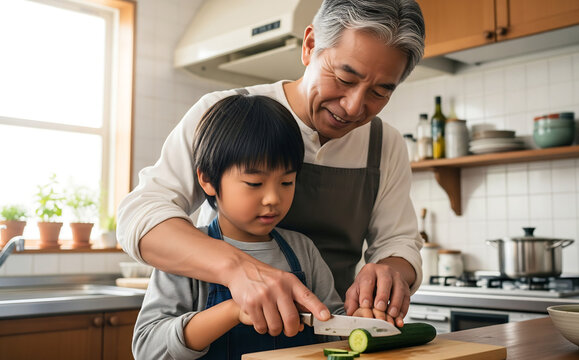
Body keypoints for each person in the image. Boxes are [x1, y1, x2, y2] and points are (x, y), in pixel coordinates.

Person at [118, 0, 425, 337]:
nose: (354, 107)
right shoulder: (224, 115)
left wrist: (389, 272)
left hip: (322, 336)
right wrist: (238, 269)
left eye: (380, 92)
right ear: (309, 46)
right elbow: (141, 214)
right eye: (344, 77)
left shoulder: (385, 143)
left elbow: (399, 242)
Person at [132, 94, 391, 360]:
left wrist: (358, 321)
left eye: (287, 182)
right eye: (254, 183)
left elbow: (331, 328)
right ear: (208, 179)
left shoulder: (303, 250)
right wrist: (234, 310)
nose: (273, 199)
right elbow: (147, 348)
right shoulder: (184, 255)